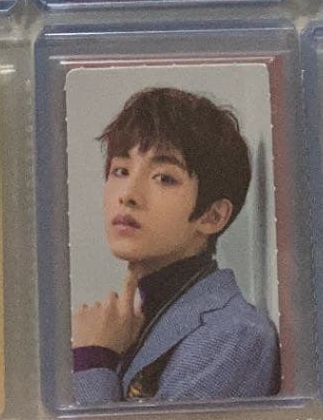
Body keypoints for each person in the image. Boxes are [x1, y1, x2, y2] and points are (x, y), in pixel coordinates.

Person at [72, 87, 280, 402]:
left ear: (212, 216)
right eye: (121, 170)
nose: (128, 194)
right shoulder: (134, 319)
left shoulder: (234, 334)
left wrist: (93, 358)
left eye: (164, 178)